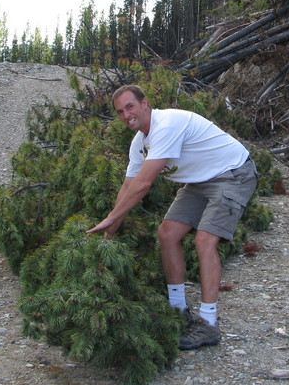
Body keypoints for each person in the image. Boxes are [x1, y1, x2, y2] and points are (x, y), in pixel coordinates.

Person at [86, 84, 258, 350]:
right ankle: (178, 310)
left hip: (232, 174)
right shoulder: (139, 143)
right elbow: (128, 187)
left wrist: (111, 218)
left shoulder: (166, 125)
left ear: (145, 104)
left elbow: (143, 185)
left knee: (205, 240)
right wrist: (111, 227)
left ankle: (208, 324)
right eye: (120, 111)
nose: (126, 115)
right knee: (167, 234)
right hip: (199, 181)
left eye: (130, 106)